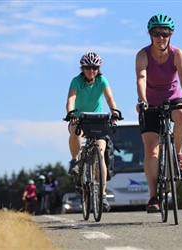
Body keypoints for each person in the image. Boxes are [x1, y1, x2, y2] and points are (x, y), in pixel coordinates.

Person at [135, 14, 182, 213]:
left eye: (165, 34)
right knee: (152, 150)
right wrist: (142, 100)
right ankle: (153, 196)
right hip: (150, 103)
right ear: (150, 35)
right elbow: (141, 78)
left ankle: (178, 153)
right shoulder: (142, 54)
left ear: (171, 35)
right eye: (157, 34)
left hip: (174, 99)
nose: (161, 37)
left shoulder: (177, 54)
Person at [65, 51, 119, 212]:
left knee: (101, 154)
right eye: (88, 67)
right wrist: (71, 114)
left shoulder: (102, 80)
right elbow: (71, 99)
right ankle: (75, 161)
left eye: (95, 67)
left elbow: (110, 99)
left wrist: (114, 112)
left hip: (98, 120)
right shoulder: (76, 81)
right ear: (82, 68)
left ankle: (101, 195)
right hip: (79, 119)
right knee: (75, 131)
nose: (91, 70)